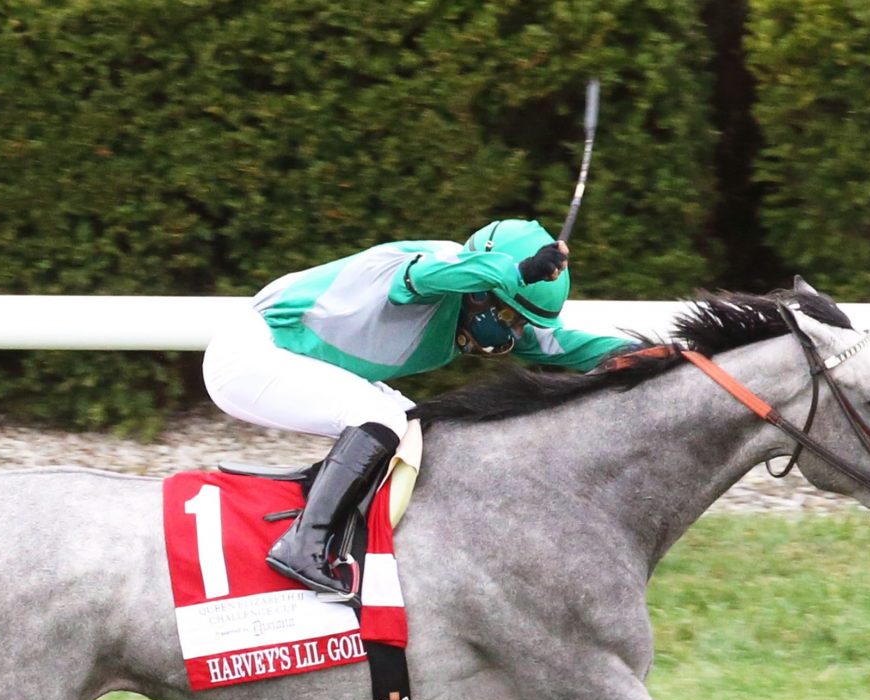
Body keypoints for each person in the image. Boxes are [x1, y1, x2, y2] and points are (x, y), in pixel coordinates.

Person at [203, 218, 636, 600]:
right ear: (482, 292)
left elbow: (562, 345)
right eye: (511, 317)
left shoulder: (476, 302)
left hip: (291, 358)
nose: (514, 334)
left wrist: (657, 354)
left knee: (420, 430)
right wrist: (518, 272)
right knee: (380, 418)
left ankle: (366, 543)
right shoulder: (429, 267)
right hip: (251, 354)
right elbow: (424, 277)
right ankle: (302, 545)